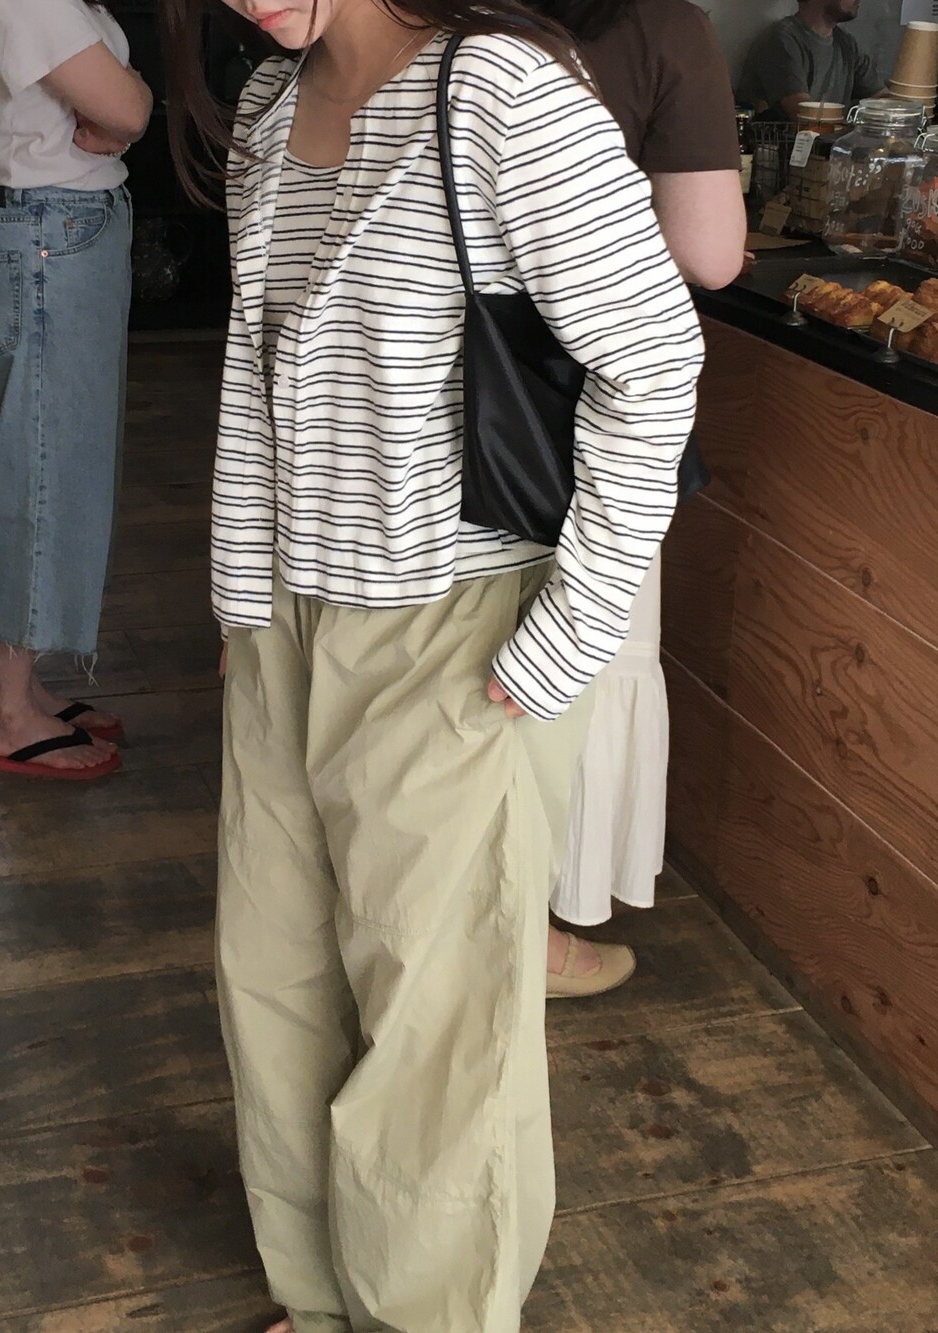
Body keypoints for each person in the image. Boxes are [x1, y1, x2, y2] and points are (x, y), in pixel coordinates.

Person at [159, 0, 704, 1327]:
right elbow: (259, 381)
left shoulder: (500, 95)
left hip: (456, 627)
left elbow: (654, 363)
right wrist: (243, 605)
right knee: (273, 975)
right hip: (287, 623)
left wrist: (567, 634)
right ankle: (320, 1296)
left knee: (437, 1021)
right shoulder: (270, 105)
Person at [528, 0, 747, 998]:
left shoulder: (419, 14)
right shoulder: (661, 25)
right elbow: (710, 254)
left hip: (409, 392)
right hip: (582, 403)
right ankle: (530, 933)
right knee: (579, 654)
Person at [0, 0, 152, 778]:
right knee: (38, 481)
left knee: (41, 472)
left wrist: (118, 113)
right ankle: (6, 715)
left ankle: (20, 689)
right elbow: (126, 105)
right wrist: (130, 107)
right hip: (46, 239)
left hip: (45, 234)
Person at [737, 0, 886, 124]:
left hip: (827, 148)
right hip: (786, 149)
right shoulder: (781, 40)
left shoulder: (847, 44)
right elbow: (804, 114)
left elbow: (883, 100)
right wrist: (856, 133)